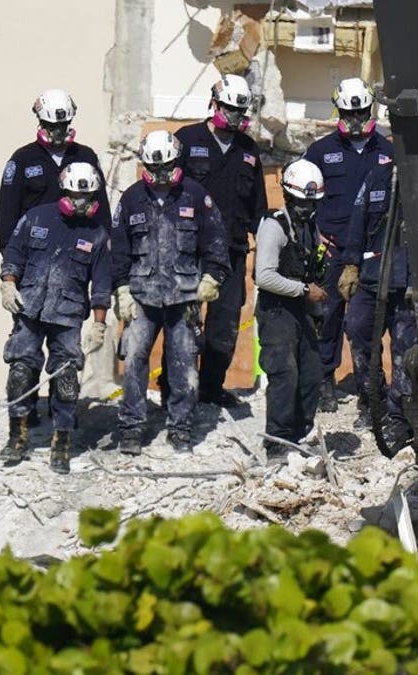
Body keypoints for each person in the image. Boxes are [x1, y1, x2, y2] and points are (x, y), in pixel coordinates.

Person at [111, 130, 229, 455]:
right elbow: (119, 248)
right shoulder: (131, 199)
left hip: (185, 297)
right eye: (153, 167)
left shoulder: (195, 196)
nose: (160, 175)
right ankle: (132, 428)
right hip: (141, 296)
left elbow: (216, 241)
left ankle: (180, 427)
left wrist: (212, 277)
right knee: (134, 359)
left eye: (166, 167)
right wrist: (120, 288)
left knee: (184, 363)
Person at [0, 163, 111, 474]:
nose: (82, 201)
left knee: (65, 380)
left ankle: (61, 442)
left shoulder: (97, 235)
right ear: (65, 191)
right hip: (29, 308)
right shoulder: (35, 218)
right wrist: (8, 283)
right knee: (21, 371)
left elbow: (102, 283)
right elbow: (14, 254)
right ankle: (17, 436)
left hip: (67, 315)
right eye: (77, 194)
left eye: (88, 195)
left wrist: (99, 323)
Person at [174, 75, 267, 407]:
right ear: (214, 103)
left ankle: (210, 389)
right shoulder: (186, 140)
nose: (232, 115)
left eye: (239, 110)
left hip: (232, 251)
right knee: (183, 322)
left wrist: (269, 251)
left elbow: (258, 207)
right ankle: (176, 390)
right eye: (227, 108)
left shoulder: (249, 151)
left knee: (225, 325)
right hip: (189, 251)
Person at [304, 77, 394, 412]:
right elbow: (302, 198)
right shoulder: (320, 152)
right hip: (330, 251)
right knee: (326, 318)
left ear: (370, 110)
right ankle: (325, 382)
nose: (355, 119)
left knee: (364, 325)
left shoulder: (388, 153)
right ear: (338, 111)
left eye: (361, 112)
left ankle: (367, 390)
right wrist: (315, 235)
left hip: (373, 256)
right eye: (348, 112)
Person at [336, 156, 417, 454]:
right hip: (373, 277)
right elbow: (358, 223)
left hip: (410, 281)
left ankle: (400, 415)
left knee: (405, 351)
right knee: (357, 330)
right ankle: (372, 402)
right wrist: (350, 265)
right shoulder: (377, 176)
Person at [253, 159, 328, 455]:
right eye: (302, 203)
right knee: (285, 374)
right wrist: (305, 290)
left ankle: (300, 436)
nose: (307, 209)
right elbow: (265, 276)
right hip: (277, 311)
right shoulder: (274, 226)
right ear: (288, 196)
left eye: (312, 204)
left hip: (301, 310)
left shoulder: (310, 226)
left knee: (311, 374)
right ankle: (276, 443)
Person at [0, 89, 110, 253]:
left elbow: (101, 204)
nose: (58, 131)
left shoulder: (86, 156)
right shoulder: (22, 159)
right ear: (41, 122)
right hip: (34, 250)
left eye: (63, 125)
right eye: (52, 126)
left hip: (77, 250)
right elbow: (8, 209)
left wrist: (105, 246)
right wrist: (8, 252)